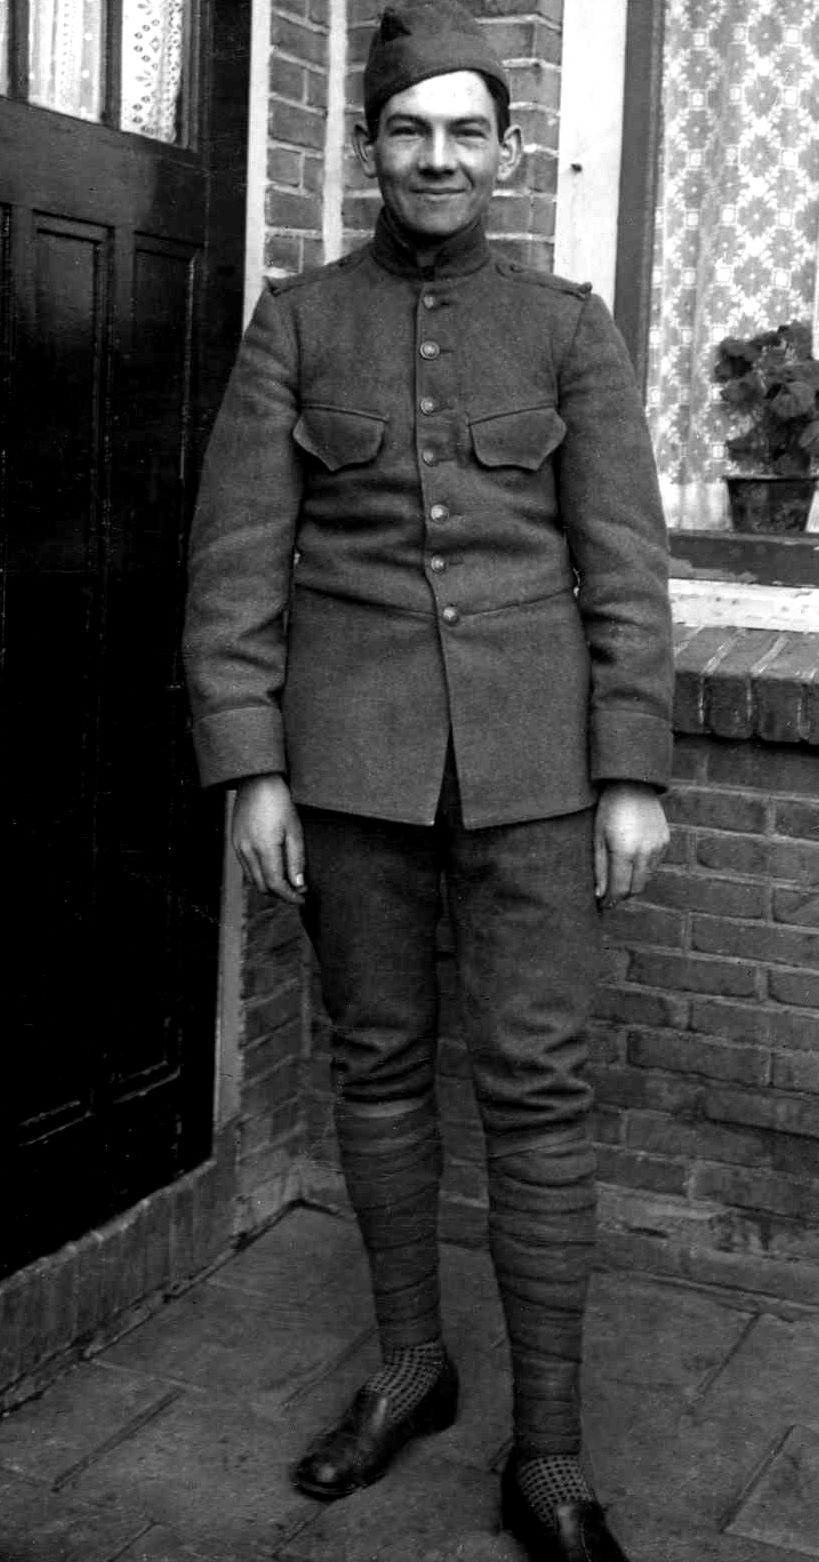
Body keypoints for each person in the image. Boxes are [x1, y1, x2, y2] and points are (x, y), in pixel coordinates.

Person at [183, 3, 673, 1556]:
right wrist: (254, 769)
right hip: (351, 769)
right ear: (370, 149)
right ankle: (410, 1365)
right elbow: (235, 568)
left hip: (538, 771)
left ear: (509, 153)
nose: (438, 156)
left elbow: (626, 568)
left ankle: (552, 1449)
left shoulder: (570, 328)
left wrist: (632, 771)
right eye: (410, 130)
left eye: (467, 130)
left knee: (539, 1085)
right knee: (379, 1062)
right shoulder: (297, 324)